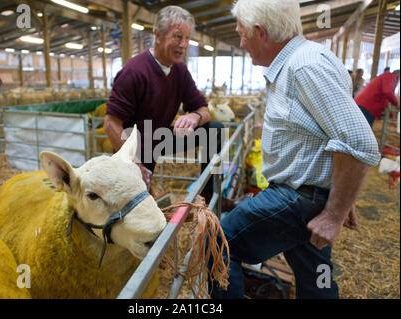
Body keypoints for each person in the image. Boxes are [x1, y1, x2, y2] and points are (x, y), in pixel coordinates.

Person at [208, 0, 381, 299]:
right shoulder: (304, 60)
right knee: (316, 279)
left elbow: (358, 142)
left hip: (296, 197)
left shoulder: (304, 66)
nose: (241, 42)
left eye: (242, 34)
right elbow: (332, 132)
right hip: (309, 195)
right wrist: (337, 193)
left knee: (218, 243)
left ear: (260, 32)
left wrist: (334, 214)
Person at [104, 6, 235, 208]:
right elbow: (110, 124)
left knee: (215, 130)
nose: (183, 45)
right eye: (177, 37)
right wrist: (134, 163)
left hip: (162, 137)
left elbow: (204, 109)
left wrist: (194, 117)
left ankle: (209, 198)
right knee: (140, 209)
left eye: (187, 38)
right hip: (137, 146)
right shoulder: (134, 72)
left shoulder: (180, 70)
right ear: (158, 34)